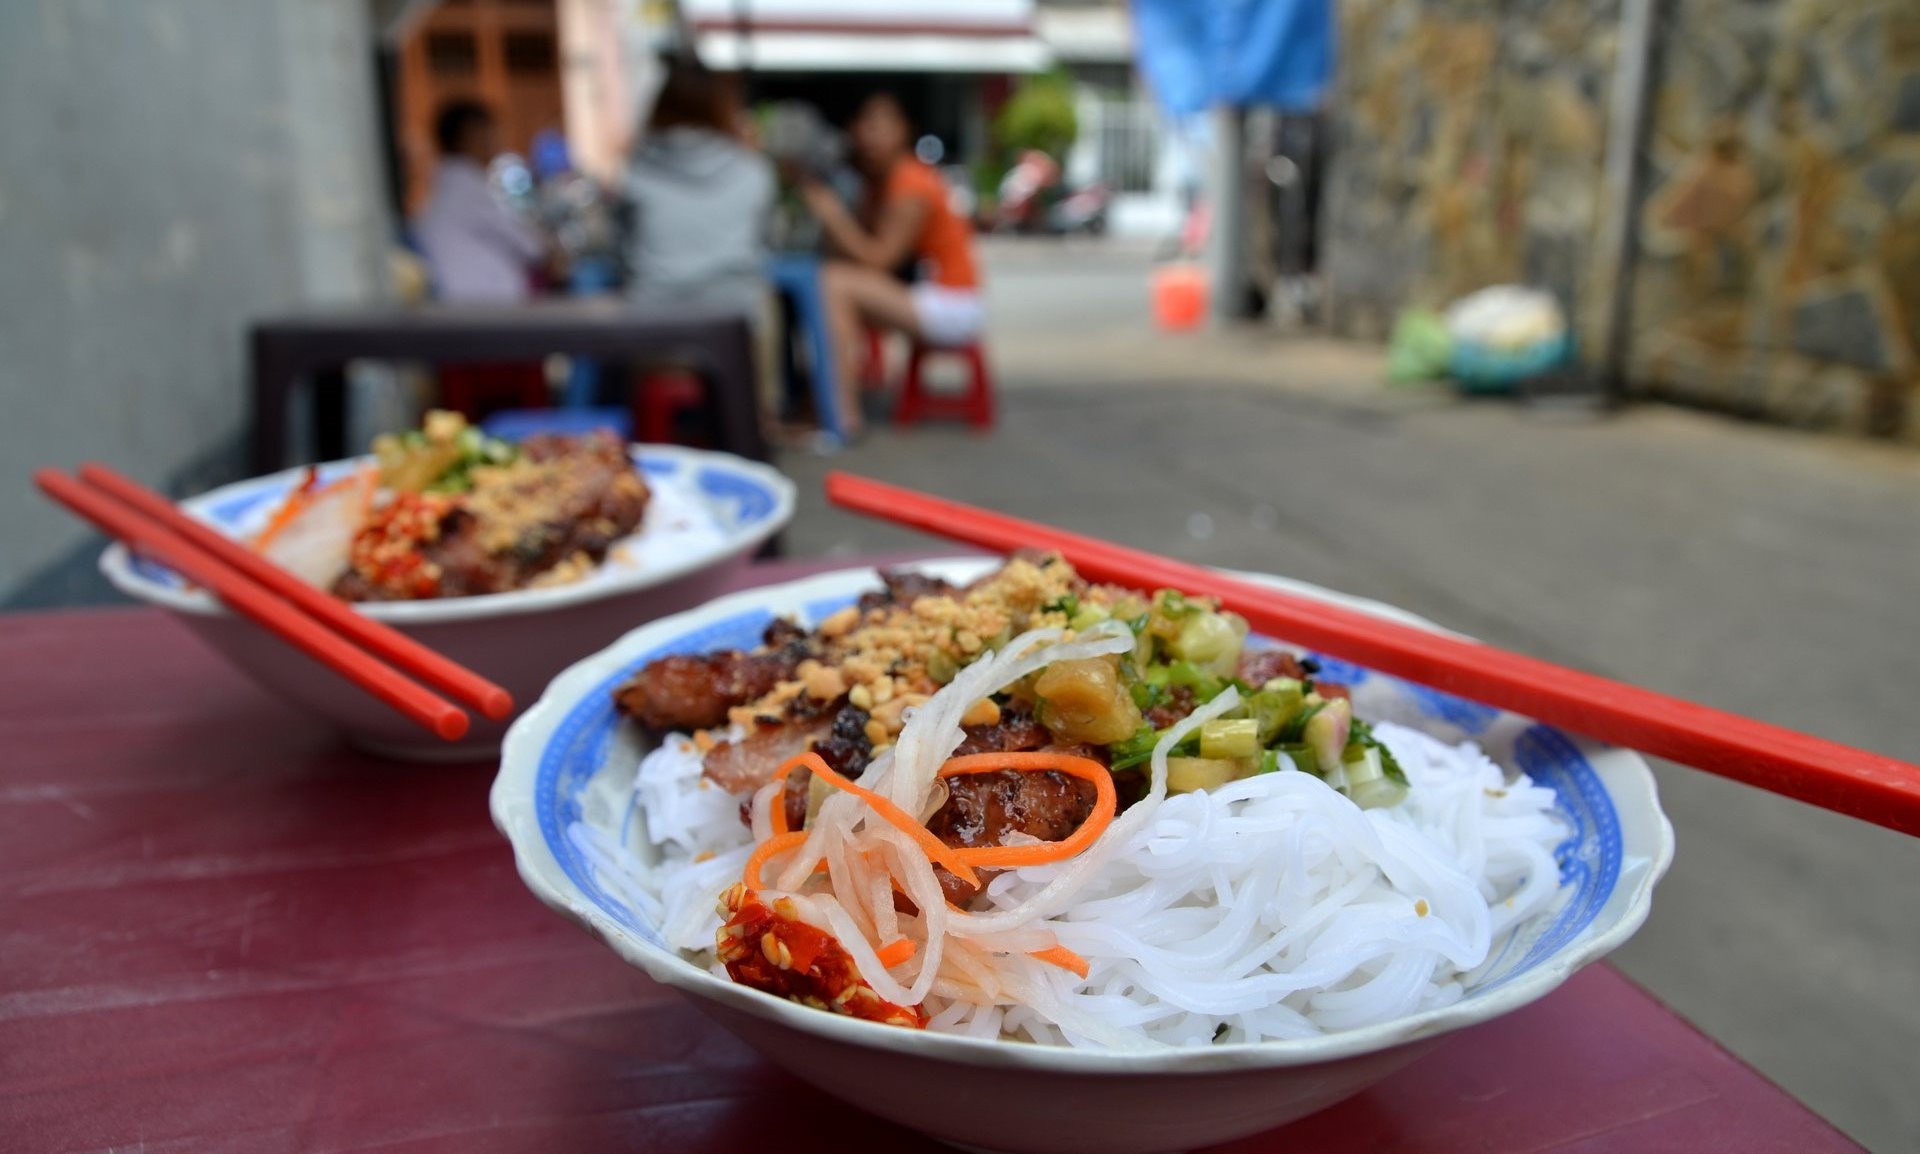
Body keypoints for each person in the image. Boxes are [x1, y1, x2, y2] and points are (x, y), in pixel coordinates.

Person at [797, 92, 983, 438]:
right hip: (927, 294)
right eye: (864, 126)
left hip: (952, 304)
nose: (869, 136)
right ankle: (819, 402)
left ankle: (841, 415)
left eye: (880, 127)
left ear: (903, 131)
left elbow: (879, 259)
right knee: (830, 281)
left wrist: (834, 217)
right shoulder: (881, 180)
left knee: (834, 282)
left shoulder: (911, 182)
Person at [624, 57, 774, 318]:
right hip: (736, 313)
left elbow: (624, 247)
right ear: (723, 106)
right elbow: (766, 241)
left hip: (655, 313)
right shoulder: (752, 169)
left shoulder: (637, 171)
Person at [414, 100, 548, 303]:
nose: (496, 140)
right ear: (472, 135)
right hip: (488, 309)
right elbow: (532, 247)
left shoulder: (449, 183)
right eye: (491, 132)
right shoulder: (466, 188)